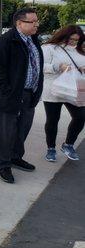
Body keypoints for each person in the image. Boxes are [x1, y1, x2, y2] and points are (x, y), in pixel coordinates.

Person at [0, 7, 43, 184]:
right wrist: (7, 91)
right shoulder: (6, 41)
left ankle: (15, 157)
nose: (36, 25)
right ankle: (3, 165)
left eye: (37, 21)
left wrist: (36, 90)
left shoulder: (33, 40)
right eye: (32, 22)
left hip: (29, 94)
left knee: (22, 129)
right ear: (19, 23)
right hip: (10, 96)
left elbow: (37, 67)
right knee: (6, 132)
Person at [42, 25, 85, 162]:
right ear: (64, 35)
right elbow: (41, 66)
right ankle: (51, 148)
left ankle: (68, 144)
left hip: (75, 88)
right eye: (71, 39)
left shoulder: (80, 50)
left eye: (77, 40)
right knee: (53, 120)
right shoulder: (50, 48)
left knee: (81, 116)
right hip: (54, 89)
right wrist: (58, 67)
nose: (74, 42)